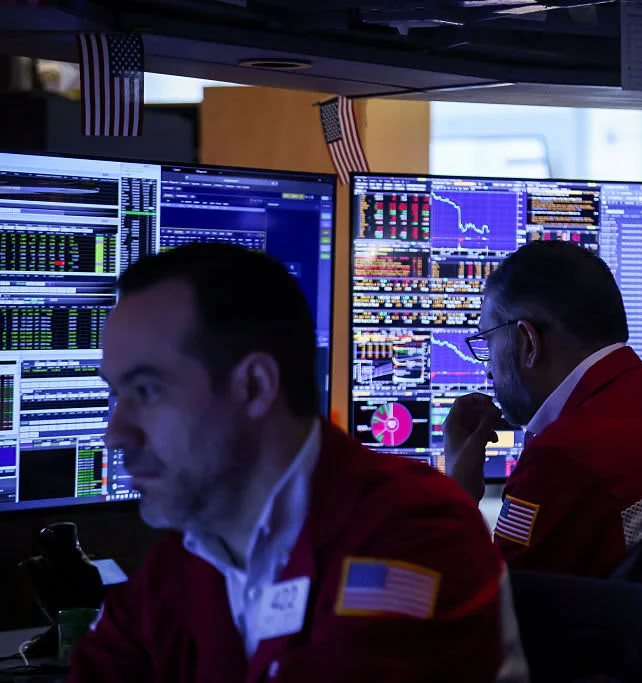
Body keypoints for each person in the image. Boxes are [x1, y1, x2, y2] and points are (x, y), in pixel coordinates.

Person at [70, 243, 523, 683]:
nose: (116, 434)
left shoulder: (417, 532)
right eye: (116, 393)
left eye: (147, 391)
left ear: (254, 386)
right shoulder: (179, 565)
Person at [444, 240, 642, 578]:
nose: (487, 370)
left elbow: (485, 600)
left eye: (488, 341)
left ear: (527, 342)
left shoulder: (560, 461)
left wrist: (456, 495)